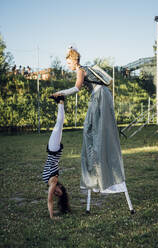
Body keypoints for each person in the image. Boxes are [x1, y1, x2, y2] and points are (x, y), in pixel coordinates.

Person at [51, 46, 126, 194]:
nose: (68, 66)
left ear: (74, 61)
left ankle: (98, 168)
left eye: (68, 63)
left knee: (91, 130)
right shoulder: (85, 69)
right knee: (92, 128)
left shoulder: (80, 70)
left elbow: (77, 88)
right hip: (101, 95)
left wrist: (61, 93)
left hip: (100, 96)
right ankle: (97, 170)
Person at [42, 96, 70, 219]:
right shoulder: (53, 182)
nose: (56, 193)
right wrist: (52, 216)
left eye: (57, 194)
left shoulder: (50, 182)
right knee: (59, 124)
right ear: (59, 186)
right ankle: (60, 101)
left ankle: (60, 102)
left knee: (59, 125)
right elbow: (49, 200)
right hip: (54, 150)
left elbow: (51, 198)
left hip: (53, 151)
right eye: (58, 192)